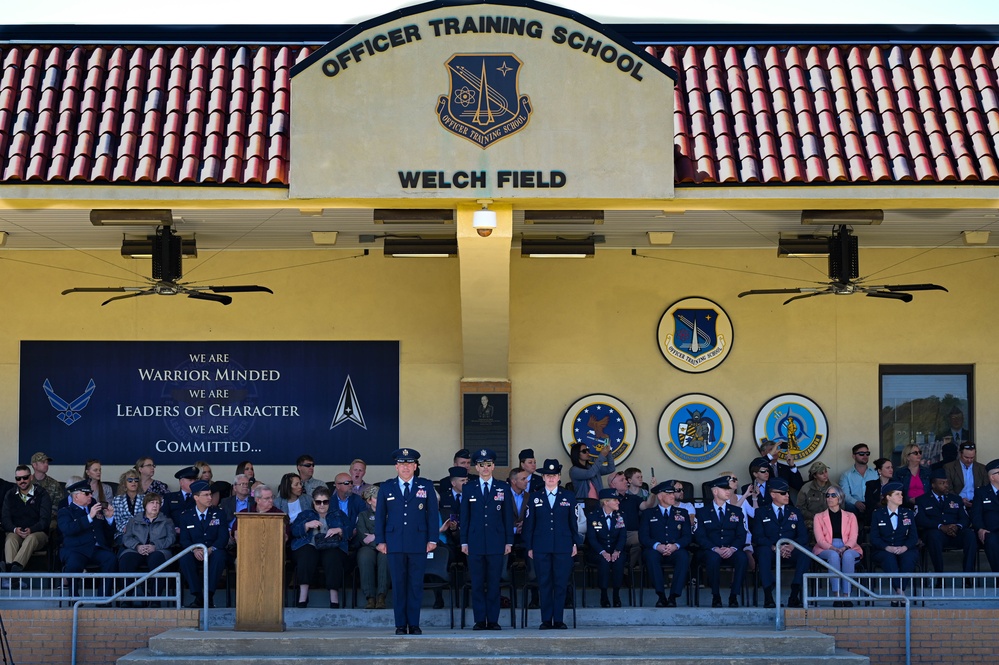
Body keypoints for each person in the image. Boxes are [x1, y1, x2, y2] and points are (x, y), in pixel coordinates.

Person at [375, 448, 438, 635]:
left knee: (415, 585)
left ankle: (415, 623)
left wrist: (432, 539)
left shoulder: (425, 486)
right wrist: (380, 540)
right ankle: (401, 624)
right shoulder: (386, 487)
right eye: (402, 464)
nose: (406, 467)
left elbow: (432, 515)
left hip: (418, 541)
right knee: (399, 584)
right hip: (394, 542)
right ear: (396, 467)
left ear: (416, 466)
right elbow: (380, 517)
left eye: (410, 464)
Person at [460, 448, 515, 630]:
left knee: (493, 583)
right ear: (476, 467)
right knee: (477, 582)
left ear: (493, 466)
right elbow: (465, 517)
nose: (485, 468)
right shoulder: (469, 488)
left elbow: (508, 517)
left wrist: (509, 541)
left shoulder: (503, 487)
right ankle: (479, 620)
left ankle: (493, 620)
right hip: (474, 542)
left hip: (496, 541)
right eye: (481, 465)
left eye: (488, 465)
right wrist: (464, 541)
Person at [524, 459, 579, 630]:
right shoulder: (534, 497)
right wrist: (529, 546)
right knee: (545, 583)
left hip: (563, 545)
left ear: (559, 477)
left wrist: (575, 543)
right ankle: (546, 619)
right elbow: (529, 524)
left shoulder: (568, 496)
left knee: (561, 583)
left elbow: (573, 522)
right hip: (541, 546)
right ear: (543, 477)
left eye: (554, 475)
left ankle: (559, 619)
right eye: (548, 475)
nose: (551, 478)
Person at [752, 478, 810, 608]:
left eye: (788, 493)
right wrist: (775, 547)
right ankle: (768, 596)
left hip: (790, 550)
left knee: (806, 552)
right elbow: (757, 537)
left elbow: (803, 536)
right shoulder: (761, 512)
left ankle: (795, 594)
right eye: (783, 493)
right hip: (771, 551)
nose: (787, 496)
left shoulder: (795, 512)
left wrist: (791, 545)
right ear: (773, 494)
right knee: (762, 552)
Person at [290, 486, 349, 608]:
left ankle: (334, 597)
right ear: (313, 502)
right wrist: (306, 525)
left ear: (329, 502)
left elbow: (351, 531)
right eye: (318, 502)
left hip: (332, 545)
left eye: (325, 502)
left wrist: (339, 530)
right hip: (310, 544)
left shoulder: (338, 514)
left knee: (333, 557)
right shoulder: (305, 514)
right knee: (306, 555)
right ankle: (303, 596)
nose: (322, 505)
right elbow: (294, 531)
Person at [695, 476, 747, 608]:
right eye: (724, 489)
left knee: (742, 558)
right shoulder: (702, 512)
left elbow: (741, 535)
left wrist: (732, 548)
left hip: (731, 549)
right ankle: (716, 596)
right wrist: (715, 548)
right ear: (715, 491)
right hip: (712, 550)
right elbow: (700, 536)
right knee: (712, 559)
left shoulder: (736, 511)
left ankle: (734, 596)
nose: (728, 491)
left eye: (728, 488)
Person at [638, 481, 691, 608]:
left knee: (683, 557)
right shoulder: (648, 514)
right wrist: (657, 546)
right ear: (660, 496)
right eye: (670, 493)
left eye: (674, 493)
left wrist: (675, 546)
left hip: (675, 549)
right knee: (650, 556)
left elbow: (687, 536)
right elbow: (643, 537)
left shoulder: (682, 512)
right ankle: (661, 595)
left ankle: (673, 596)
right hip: (655, 549)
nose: (673, 495)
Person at [58, 479, 117, 592]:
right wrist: (89, 517)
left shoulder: (95, 509)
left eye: (91, 492)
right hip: (76, 550)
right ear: (76, 496)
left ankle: (104, 597)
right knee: (73, 563)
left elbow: (107, 534)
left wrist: (109, 518)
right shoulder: (65, 511)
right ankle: (74, 598)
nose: (91, 495)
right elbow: (68, 529)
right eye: (86, 493)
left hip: (96, 549)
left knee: (111, 559)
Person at [915, 468, 977, 575]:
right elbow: (920, 519)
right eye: (942, 483)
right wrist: (940, 526)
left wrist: (957, 526)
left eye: (947, 482)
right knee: (933, 536)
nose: (946, 485)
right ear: (933, 485)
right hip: (936, 534)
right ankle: (939, 576)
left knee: (970, 535)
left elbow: (965, 518)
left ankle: (968, 576)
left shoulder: (956, 499)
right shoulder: (922, 500)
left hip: (955, 533)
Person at [177, 480, 228, 608]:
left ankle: (209, 594)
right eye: (206, 495)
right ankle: (198, 595)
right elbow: (184, 539)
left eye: (210, 495)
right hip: (195, 551)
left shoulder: (219, 513)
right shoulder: (186, 516)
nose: (210, 498)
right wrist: (194, 550)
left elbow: (223, 537)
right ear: (196, 497)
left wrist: (211, 549)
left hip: (213, 550)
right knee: (184, 558)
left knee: (220, 556)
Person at [118, 492, 176, 606]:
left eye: (157, 503)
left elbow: (171, 539)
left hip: (159, 550)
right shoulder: (134, 520)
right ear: (145, 505)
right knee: (126, 559)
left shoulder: (167, 521)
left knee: (157, 559)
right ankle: (127, 598)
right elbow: (126, 538)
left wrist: (155, 546)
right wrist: (137, 546)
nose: (155, 506)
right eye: (151, 502)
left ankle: (155, 599)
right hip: (136, 550)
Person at [812, 485, 862, 607]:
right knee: (834, 556)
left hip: (848, 546)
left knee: (848, 556)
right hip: (826, 547)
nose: (829, 498)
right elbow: (819, 539)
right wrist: (833, 548)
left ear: (840, 498)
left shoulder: (850, 516)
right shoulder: (818, 517)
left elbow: (853, 537)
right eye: (827, 495)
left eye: (833, 495)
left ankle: (847, 595)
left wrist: (845, 548)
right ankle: (837, 595)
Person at [869, 481, 918, 602]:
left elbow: (913, 536)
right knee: (889, 559)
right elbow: (874, 537)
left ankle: (898, 591)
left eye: (901, 494)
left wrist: (905, 547)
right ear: (888, 497)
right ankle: (900, 592)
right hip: (884, 549)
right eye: (897, 494)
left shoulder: (908, 513)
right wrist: (887, 547)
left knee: (909, 559)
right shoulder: (877, 514)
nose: (901, 496)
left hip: (904, 548)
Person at [2, 464, 52, 581]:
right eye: (18, 479)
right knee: (10, 539)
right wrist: (15, 529)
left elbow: (45, 520)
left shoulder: (42, 494)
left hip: (37, 533)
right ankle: (14, 578)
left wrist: (32, 529)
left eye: (25, 477)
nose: (22, 481)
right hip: (17, 531)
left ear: (31, 477)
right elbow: (5, 519)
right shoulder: (10, 494)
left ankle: (10, 571)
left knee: (31, 538)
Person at [586, 488, 627, 607]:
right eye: (615, 500)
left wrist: (617, 550)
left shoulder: (621, 516)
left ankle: (616, 594)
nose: (618, 502)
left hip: (616, 550)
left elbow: (622, 536)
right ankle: (603, 594)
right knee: (604, 562)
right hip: (598, 551)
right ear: (606, 502)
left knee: (618, 562)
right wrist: (602, 552)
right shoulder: (593, 516)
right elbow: (592, 538)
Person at [354, 485, 388, 609]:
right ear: (369, 500)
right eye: (376, 498)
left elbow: (392, 532)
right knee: (364, 557)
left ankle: (381, 596)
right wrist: (378, 540)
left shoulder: (390, 513)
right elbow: (364, 537)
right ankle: (370, 597)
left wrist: (375, 537)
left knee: (385, 558)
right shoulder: (363, 515)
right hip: (368, 547)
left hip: (386, 545)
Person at [569, 442, 616, 510]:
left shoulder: (592, 467)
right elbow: (590, 474)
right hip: (584, 506)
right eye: (584, 451)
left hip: (598, 504)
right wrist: (602, 455)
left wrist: (608, 453)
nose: (587, 453)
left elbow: (611, 468)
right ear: (576, 454)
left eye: (588, 450)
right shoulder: (574, 470)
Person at [971, 459, 999, 572]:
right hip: (990, 531)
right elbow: (976, 513)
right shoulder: (981, 492)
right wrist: (980, 528)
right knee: (991, 541)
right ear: (992, 477)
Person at [944, 443, 987, 509]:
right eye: (966, 457)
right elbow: (947, 488)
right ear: (960, 454)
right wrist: (959, 499)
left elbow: (985, 488)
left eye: (972, 457)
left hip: (977, 504)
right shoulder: (949, 467)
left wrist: (978, 500)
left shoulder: (982, 468)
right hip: (956, 504)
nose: (969, 460)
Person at [839, 444, 877, 514]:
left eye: (867, 453)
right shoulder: (846, 475)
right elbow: (845, 494)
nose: (865, 456)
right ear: (854, 456)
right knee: (849, 507)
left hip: (872, 504)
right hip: (855, 505)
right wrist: (856, 502)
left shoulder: (875, 473)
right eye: (861, 454)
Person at [29, 452, 64, 530]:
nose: (46, 465)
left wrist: (43, 516)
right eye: (43, 462)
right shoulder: (27, 482)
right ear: (34, 465)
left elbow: (59, 506)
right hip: (30, 519)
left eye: (47, 462)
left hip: (49, 519)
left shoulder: (54, 484)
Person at [111, 468, 145, 545]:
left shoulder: (145, 499)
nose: (133, 482)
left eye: (136, 480)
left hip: (142, 532)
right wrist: (125, 529)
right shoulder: (117, 500)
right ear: (124, 484)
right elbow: (116, 520)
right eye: (130, 480)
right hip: (123, 532)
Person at [331, 472, 367, 541]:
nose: (350, 485)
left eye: (351, 482)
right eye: (347, 483)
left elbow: (363, 520)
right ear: (337, 486)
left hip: (356, 538)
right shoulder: (330, 502)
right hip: (336, 538)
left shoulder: (358, 500)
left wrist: (354, 531)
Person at [797, 461, 833, 528]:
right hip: (811, 520)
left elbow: (841, 505)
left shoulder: (834, 487)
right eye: (821, 473)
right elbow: (800, 508)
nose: (825, 475)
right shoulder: (806, 488)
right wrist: (814, 516)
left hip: (830, 519)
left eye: (826, 472)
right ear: (814, 475)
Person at [894, 442, 930, 507]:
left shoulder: (926, 472)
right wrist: (908, 500)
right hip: (906, 505)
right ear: (908, 457)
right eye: (915, 453)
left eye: (920, 452)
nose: (919, 454)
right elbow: (896, 491)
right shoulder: (900, 473)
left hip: (925, 505)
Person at [864, 458, 894, 525]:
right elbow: (869, 503)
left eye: (891, 467)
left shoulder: (896, 485)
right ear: (880, 471)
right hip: (876, 516)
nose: (891, 470)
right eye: (887, 468)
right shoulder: (871, 485)